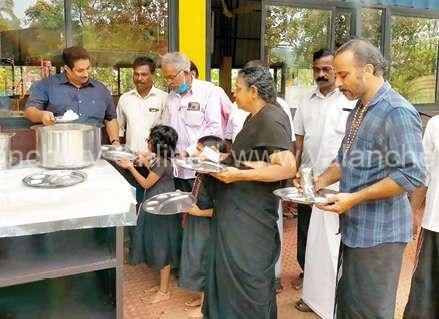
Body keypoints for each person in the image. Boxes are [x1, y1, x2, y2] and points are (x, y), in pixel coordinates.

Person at [315, 38, 425, 319]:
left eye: (343, 74)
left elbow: (411, 174)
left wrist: (354, 198)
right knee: (350, 305)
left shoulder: (396, 111)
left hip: (380, 236)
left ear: (369, 69)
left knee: (369, 311)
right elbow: (345, 159)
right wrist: (317, 182)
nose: (337, 82)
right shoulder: (360, 108)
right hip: (355, 230)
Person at [203, 65, 296, 319]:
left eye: (238, 89)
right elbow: (252, 158)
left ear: (254, 91)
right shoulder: (253, 118)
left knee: (248, 278)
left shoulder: (271, 118)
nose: (235, 95)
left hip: (250, 218)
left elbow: (286, 167)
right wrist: (217, 159)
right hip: (235, 212)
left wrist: (238, 174)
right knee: (230, 276)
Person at [292, 48, 356, 317]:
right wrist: (294, 171)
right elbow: (299, 141)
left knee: (332, 244)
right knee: (308, 235)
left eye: (327, 69)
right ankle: (311, 284)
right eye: (317, 69)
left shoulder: (351, 102)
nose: (321, 74)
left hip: (339, 186)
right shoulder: (307, 102)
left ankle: (334, 295)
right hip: (309, 181)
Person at [115, 125, 181, 304]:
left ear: (157, 143)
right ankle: (162, 285)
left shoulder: (162, 163)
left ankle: (164, 290)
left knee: (162, 245)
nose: (147, 142)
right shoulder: (161, 159)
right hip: (157, 205)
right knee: (158, 242)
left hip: (160, 209)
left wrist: (130, 167)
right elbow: (152, 168)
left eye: (149, 139)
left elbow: (145, 183)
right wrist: (142, 160)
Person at [179, 135, 231, 319]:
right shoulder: (202, 171)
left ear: (213, 153)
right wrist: (184, 196)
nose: (195, 152)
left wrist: (198, 213)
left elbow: (223, 210)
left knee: (204, 262)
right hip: (197, 223)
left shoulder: (217, 177)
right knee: (195, 259)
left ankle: (205, 307)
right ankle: (202, 297)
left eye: (200, 150)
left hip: (207, 226)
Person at [24, 46, 120, 145]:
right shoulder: (47, 85)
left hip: (93, 150)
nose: (86, 74)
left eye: (88, 68)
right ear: (67, 69)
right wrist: (42, 115)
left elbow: (110, 119)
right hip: (58, 148)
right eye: (80, 70)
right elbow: (29, 111)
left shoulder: (101, 90)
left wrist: (115, 141)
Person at [161, 52, 223, 193]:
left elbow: (214, 129)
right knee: (181, 209)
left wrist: (188, 152)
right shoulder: (171, 97)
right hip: (178, 169)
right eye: (166, 78)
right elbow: (167, 129)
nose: (169, 82)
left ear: (187, 73)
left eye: (171, 77)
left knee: (199, 210)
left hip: (201, 169)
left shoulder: (208, 91)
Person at [403, 115, 439, 319]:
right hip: (434, 225)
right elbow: (424, 174)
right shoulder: (435, 124)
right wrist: (412, 210)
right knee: (423, 299)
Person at [117, 56, 168, 153]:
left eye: (144, 74)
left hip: (155, 160)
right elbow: (119, 129)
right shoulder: (125, 98)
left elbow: (168, 132)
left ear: (153, 76)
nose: (139, 78)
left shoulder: (164, 98)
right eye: (136, 74)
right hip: (131, 158)